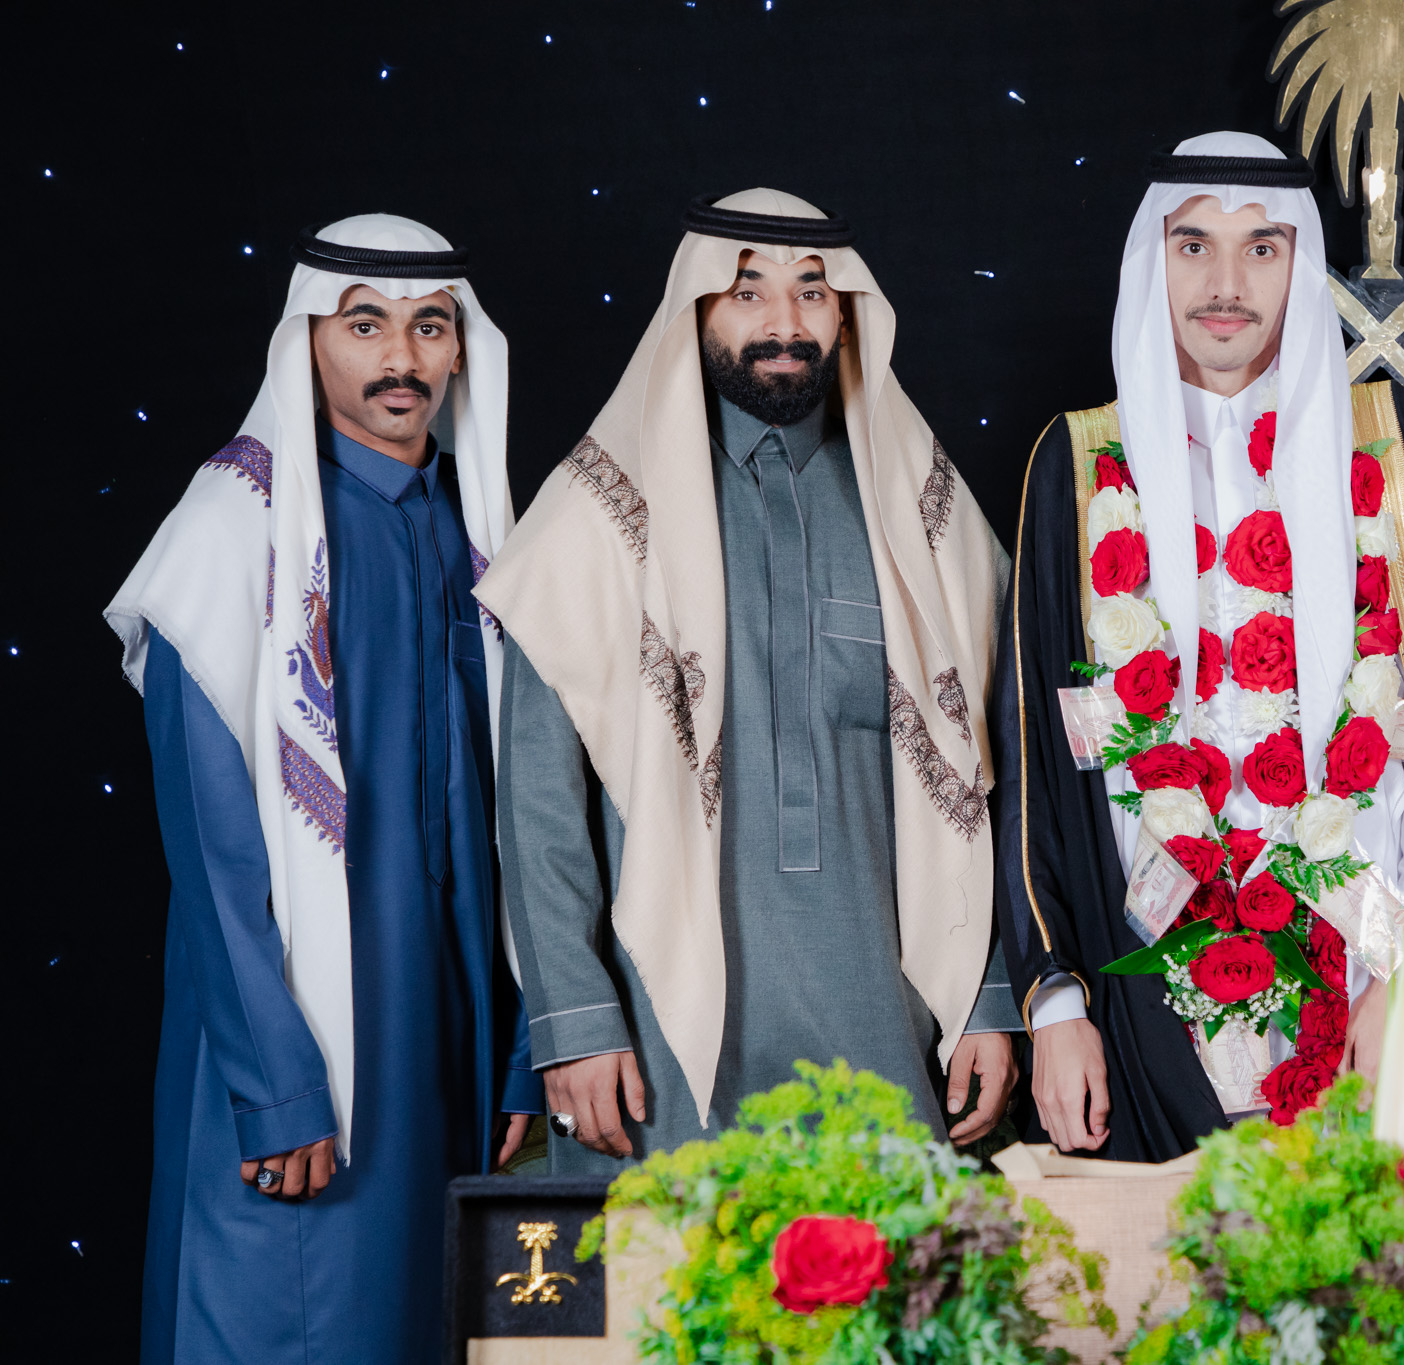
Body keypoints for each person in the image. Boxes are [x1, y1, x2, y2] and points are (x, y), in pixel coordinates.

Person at [997, 132, 1404, 1161]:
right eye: (1193, 246)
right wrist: (1055, 999)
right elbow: (1036, 764)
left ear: (1301, 265)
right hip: (1142, 991)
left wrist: (1403, 976)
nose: (1226, 286)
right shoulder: (1078, 463)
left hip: (1367, 991)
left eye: (1262, 248)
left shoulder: (1384, 447)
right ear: (1151, 261)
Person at [476, 190, 1021, 1168]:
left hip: (891, 1037)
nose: (783, 322)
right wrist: (574, 1016)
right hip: (659, 1050)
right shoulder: (595, 521)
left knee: (894, 1264)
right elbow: (538, 805)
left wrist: (987, 998)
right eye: (747, 292)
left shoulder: (922, 514)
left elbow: (994, 778)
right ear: (695, 309)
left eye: (810, 291)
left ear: (846, 310)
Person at [107, 216, 539, 1364]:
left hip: (450, 1036)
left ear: (461, 347)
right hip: (296, 1051)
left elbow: (526, 817)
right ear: (306, 339)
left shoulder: (476, 531)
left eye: (429, 325)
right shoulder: (230, 532)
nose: (401, 356)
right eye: (364, 325)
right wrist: (279, 1087)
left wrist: (518, 1045)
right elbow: (212, 851)